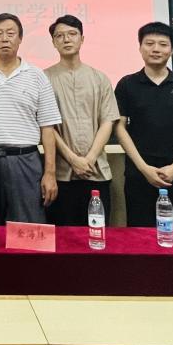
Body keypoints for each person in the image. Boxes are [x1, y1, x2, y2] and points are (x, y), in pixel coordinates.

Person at [0, 13, 60, 225]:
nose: (4, 39)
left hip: (26, 161)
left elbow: (48, 128)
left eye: (10, 33)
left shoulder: (37, 76)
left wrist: (50, 173)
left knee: (28, 227)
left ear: (20, 38)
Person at [114, 22, 173, 227]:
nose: (156, 49)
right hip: (139, 175)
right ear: (140, 48)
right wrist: (143, 168)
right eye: (149, 43)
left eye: (163, 44)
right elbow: (119, 128)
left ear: (171, 50)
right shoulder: (127, 84)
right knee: (141, 235)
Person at [43, 15, 120, 226]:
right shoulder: (43, 79)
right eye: (60, 36)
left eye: (72, 34)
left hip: (96, 172)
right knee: (63, 237)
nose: (66, 39)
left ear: (82, 39)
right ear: (53, 42)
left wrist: (90, 158)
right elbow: (46, 126)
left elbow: (108, 121)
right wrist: (73, 159)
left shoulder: (99, 78)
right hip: (61, 175)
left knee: (97, 235)